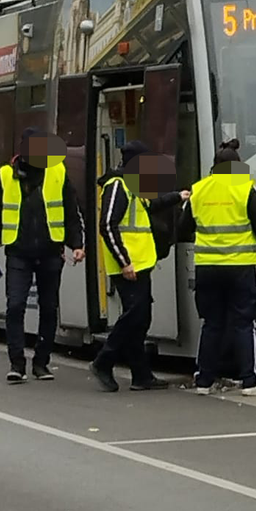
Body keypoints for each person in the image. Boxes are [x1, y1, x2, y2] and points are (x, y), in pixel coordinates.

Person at [180, 138, 256, 396]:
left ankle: (204, 381)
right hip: (241, 267)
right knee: (244, 323)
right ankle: (251, 380)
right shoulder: (245, 188)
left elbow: (182, 229)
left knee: (212, 324)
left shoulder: (199, 190)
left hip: (207, 267)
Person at [0, 129, 85, 384]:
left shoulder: (58, 171)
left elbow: (71, 211)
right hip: (18, 252)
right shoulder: (6, 175)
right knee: (15, 306)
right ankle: (17, 363)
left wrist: (77, 244)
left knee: (49, 308)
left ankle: (41, 362)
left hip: (51, 251)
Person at [90, 141, 188, 393]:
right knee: (134, 315)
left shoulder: (132, 186)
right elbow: (107, 225)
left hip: (140, 263)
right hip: (129, 265)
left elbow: (148, 208)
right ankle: (103, 361)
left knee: (140, 318)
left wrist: (177, 197)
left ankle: (140, 375)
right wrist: (124, 261)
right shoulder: (117, 186)